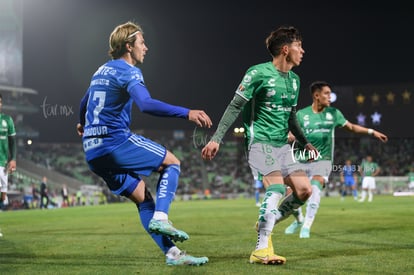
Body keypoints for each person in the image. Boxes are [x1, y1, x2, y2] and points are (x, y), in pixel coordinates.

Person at [76, 21, 211, 266]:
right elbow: (146, 104)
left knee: (143, 198)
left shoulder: (100, 71)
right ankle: (162, 216)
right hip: (114, 141)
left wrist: (81, 124)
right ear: (129, 46)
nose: (146, 48)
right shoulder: (129, 71)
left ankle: (173, 255)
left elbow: (83, 102)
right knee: (172, 163)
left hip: (91, 151)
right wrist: (186, 112)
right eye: (142, 43)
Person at [201, 26, 318, 265]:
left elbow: (291, 116)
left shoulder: (295, 81)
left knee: (305, 190)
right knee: (276, 189)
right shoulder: (257, 73)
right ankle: (261, 249)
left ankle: (268, 219)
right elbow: (234, 106)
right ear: (286, 49)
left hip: (282, 146)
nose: (303, 51)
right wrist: (216, 138)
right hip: (259, 143)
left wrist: (305, 142)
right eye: (299, 46)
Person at [284, 81, 388, 238]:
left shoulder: (333, 114)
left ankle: (306, 226)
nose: (330, 96)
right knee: (290, 194)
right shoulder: (301, 114)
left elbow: (352, 127)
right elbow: (293, 135)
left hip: (323, 160)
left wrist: (372, 132)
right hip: (302, 160)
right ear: (316, 95)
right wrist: (286, 138)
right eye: (326, 93)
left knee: (316, 187)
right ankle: (299, 220)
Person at [0, 93, 17, 237]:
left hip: (3, 163)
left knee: (3, 197)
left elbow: (12, 142)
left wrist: (13, 159)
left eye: (0, 102)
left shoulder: (7, 120)